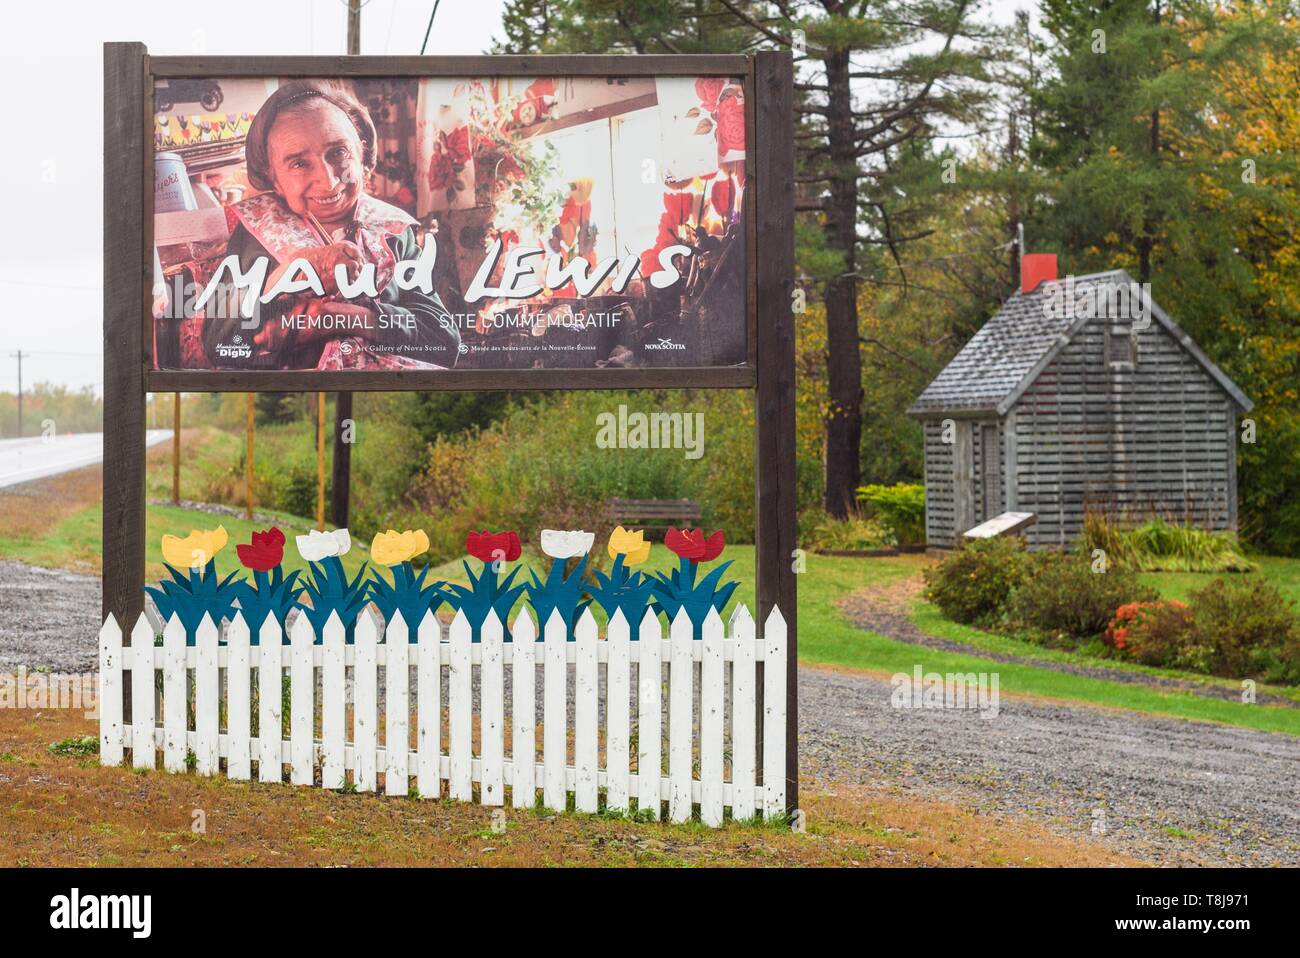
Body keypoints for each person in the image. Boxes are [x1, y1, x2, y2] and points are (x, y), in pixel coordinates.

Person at [203, 79, 460, 370]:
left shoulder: (395, 232)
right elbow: (220, 345)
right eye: (299, 163)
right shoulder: (254, 232)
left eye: (338, 152)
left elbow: (445, 343)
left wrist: (347, 318)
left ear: (362, 152)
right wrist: (289, 275)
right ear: (273, 177)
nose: (328, 180)